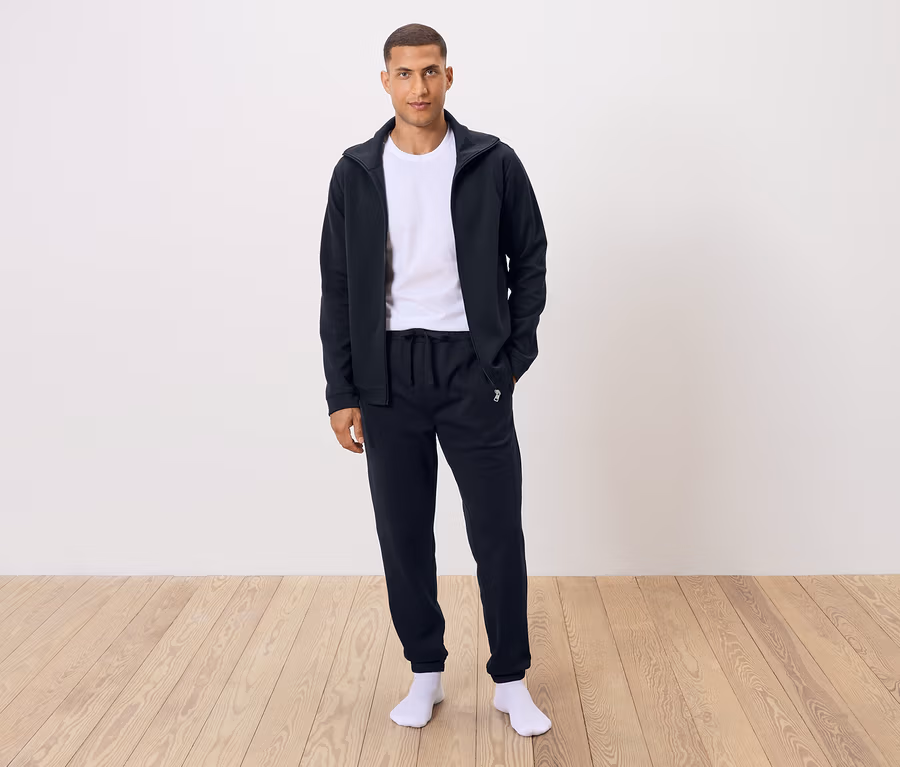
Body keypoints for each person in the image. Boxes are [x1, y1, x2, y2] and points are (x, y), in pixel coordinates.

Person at [318, 23, 550, 737]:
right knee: (404, 534)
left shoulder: (491, 161)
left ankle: (511, 679)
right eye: (404, 73)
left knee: (497, 531)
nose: (418, 86)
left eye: (429, 71)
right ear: (385, 82)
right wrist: (342, 390)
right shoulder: (356, 172)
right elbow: (337, 285)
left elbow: (530, 258)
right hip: (387, 374)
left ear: (449, 76)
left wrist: (510, 358)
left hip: (472, 367)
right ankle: (426, 672)